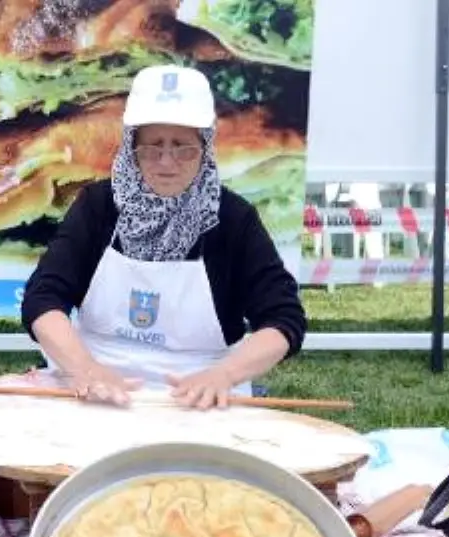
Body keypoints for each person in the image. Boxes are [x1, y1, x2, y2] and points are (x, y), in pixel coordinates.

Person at [18, 64, 307, 410]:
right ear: (131, 146)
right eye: (153, 147)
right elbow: (42, 298)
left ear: (206, 146)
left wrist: (225, 375)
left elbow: (283, 319)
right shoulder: (97, 206)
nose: (167, 162)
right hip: (97, 385)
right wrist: (85, 369)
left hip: (199, 395)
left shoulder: (233, 219)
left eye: (183, 147)